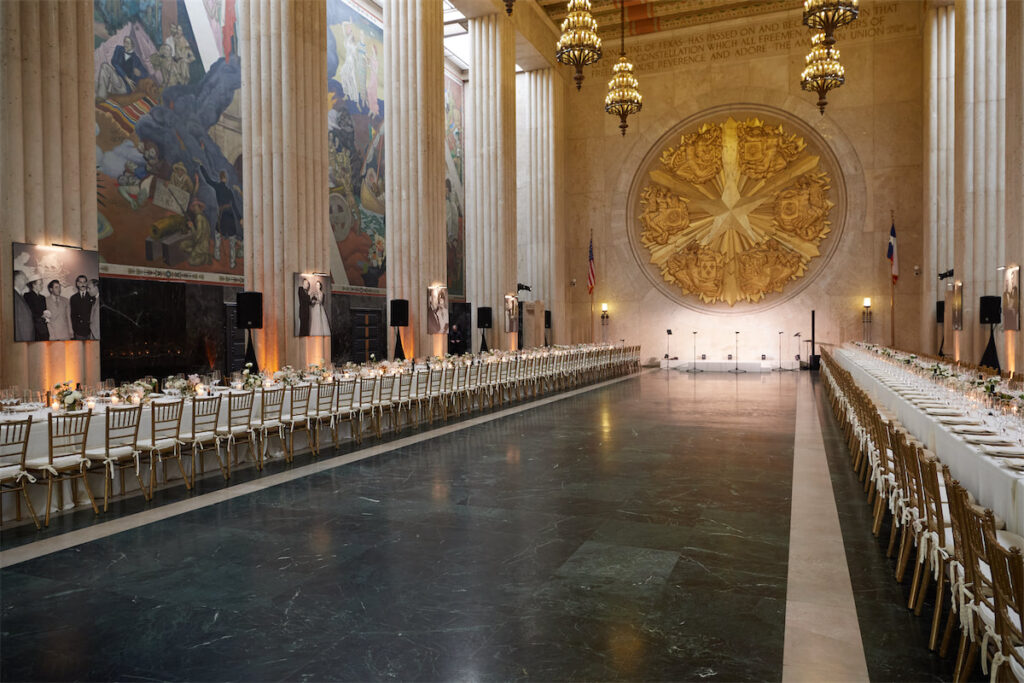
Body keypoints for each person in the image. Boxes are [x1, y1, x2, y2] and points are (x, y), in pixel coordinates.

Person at [198, 164, 243, 268]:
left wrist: (201, 167)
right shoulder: (229, 191)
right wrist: (240, 218)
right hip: (230, 215)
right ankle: (232, 263)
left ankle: (217, 255)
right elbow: (235, 206)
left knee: (218, 235)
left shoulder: (217, 186)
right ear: (225, 179)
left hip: (223, 215)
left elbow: (208, 180)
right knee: (231, 240)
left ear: (220, 177)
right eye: (225, 177)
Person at [69, 274, 95, 340]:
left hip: (91, 329)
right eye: (80, 282)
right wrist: (75, 328)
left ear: (86, 283)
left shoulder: (92, 296)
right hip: (79, 331)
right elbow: (73, 315)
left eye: (84, 282)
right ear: (77, 284)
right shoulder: (73, 298)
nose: (82, 284)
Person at [12, 270, 33, 341]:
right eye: (25, 278)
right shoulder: (13, 296)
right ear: (17, 279)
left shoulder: (19, 295)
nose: (27, 280)